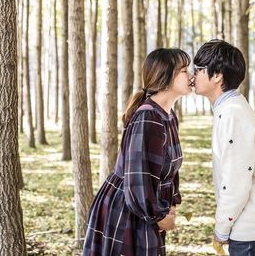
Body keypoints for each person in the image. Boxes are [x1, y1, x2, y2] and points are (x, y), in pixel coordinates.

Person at [83, 48, 193, 256]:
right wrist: (158, 215)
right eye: (184, 70)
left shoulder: (168, 116)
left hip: (146, 208)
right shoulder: (148, 118)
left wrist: (171, 204)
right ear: (166, 76)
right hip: (130, 211)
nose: (191, 75)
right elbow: (137, 177)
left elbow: (169, 170)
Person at [193, 39, 255, 256]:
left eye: (198, 70)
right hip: (249, 226)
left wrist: (221, 228)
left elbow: (236, 179)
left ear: (217, 76)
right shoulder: (229, 108)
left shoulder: (232, 113)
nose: (192, 76)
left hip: (251, 229)